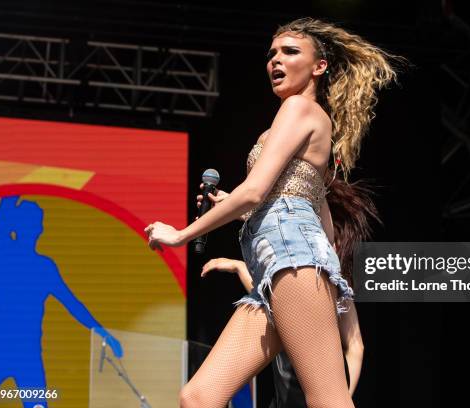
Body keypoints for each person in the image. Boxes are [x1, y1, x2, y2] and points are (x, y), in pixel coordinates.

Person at [145, 17, 404, 407]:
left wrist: (182, 234)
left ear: (319, 66)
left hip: (293, 265)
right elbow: (311, 212)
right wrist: (230, 205)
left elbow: (254, 193)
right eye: (271, 54)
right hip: (275, 272)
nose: (275, 61)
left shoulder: (300, 107)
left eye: (289, 52)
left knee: (328, 402)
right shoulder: (296, 121)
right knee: (198, 398)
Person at [198, 171, 381, 406]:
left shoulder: (332, 284)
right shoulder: (285, 280)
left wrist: (344, 395)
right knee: (196, 397)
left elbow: (356, 345)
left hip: (317, 386)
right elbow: (273, 295)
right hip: (287, 390)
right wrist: (237, 266)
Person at [0, 196, 123, 408]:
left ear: (40, 229)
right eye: (32, 223)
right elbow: (4, 211)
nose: (36, 228)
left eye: (37, 223)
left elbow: (74, 305)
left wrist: (104, 333)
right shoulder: (2, 251)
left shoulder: (43, 267)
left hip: (27, 354)